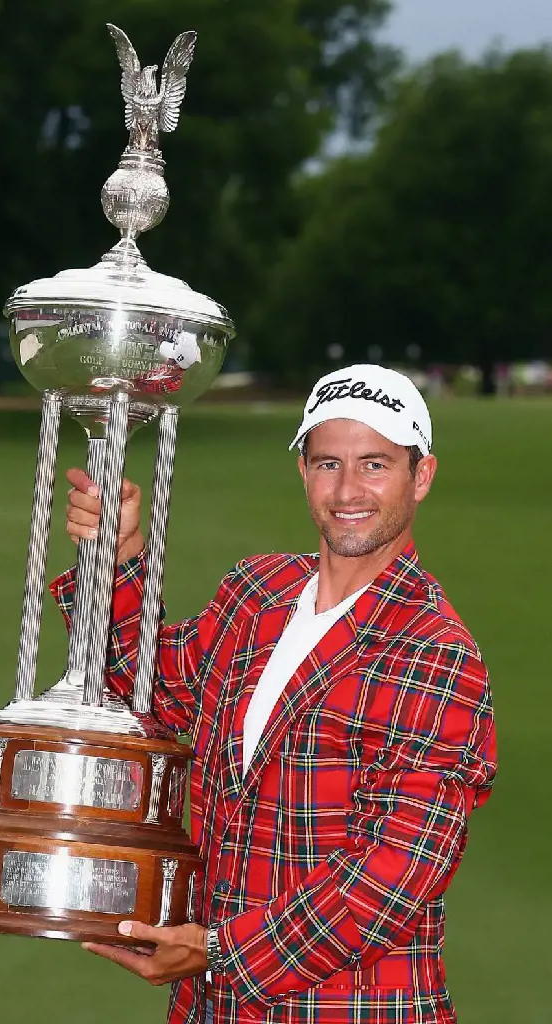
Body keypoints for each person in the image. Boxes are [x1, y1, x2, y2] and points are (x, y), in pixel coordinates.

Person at [53, 364, 497, 1024]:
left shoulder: (435, 652)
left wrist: (217, 952)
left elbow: (391, 878)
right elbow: (140, 687)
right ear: (303, 472)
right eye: (327, 464)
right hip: (212, 1005)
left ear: (420, 475)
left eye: (374, 464)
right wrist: (116, 558)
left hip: (350, 1009)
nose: (347, 489)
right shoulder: (255, 594)